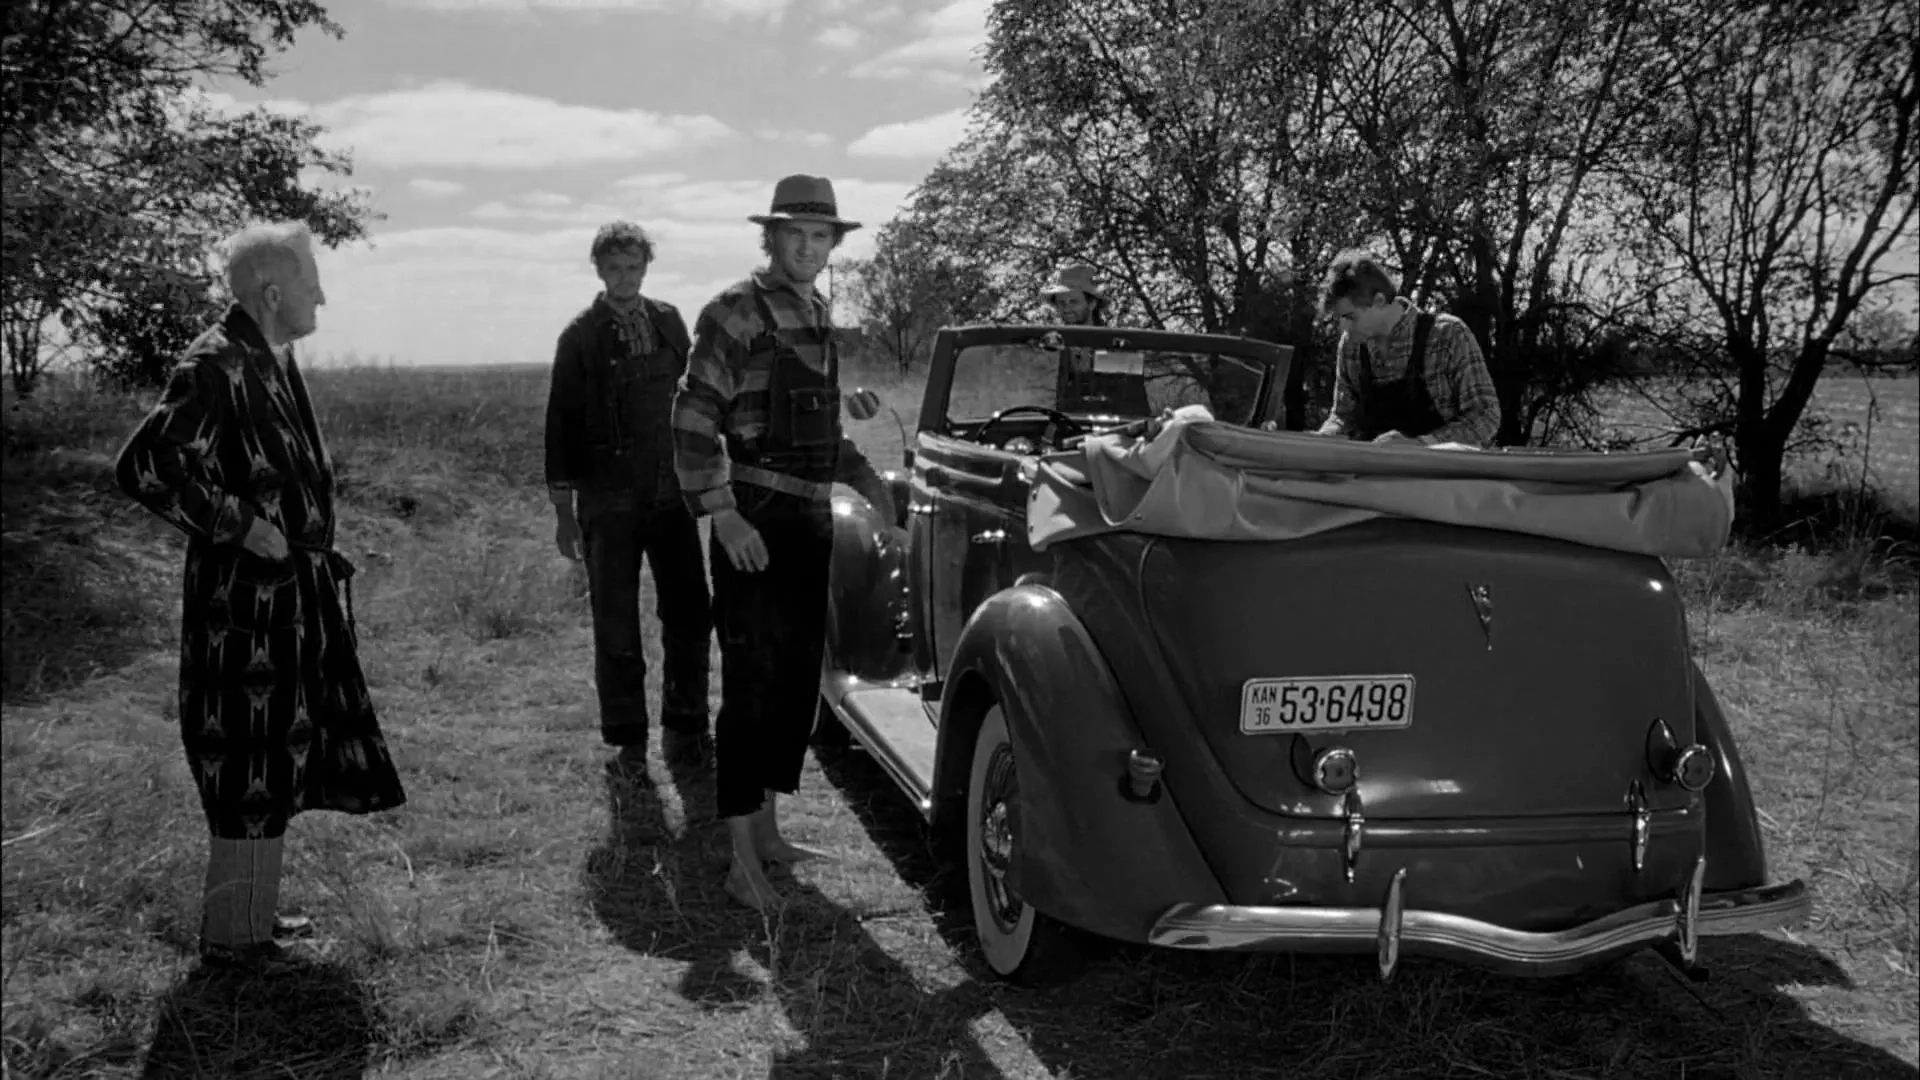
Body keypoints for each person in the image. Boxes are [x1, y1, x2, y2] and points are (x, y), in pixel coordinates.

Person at [113, 221, 407, 973]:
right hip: (241, 610)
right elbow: (147, 463)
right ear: (274, 293)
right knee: (245, 760)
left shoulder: (268, 357)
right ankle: (234, 941)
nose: (323, 297)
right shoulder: (214, 362)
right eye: (312, 283)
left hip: (286, 602)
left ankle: (253, 920)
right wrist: (239, 525)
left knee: (276, 756)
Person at [670, 174, 894, 911]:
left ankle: (768, 834)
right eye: (793, 234)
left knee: (795, 686)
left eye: (819, 236)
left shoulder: (819, 313)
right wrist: (722, 513)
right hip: (755, 522)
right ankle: (740, 861)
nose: (806, 246)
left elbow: (820, 430)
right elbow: (694, 416)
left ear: (833, 245)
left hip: (809, 522)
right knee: (750, 687)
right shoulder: (735, 311)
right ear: (770, 238)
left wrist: (869, 482)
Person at [545, 221, 713, 769]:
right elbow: (559, 426)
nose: (625, 277)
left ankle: (687, 723)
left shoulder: (667, 322)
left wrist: (707, 469)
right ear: (598, 270)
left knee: (690, 611)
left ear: (646, 268)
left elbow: (696, 400)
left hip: (670, 493)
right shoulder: (580, 336)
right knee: (616, 622)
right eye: (614, 268)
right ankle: (626, 735)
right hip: (606, 498)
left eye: (633, 267)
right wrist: (563, 516)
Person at [1312, 250, 1502, 447]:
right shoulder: (1352, 346)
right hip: (1375, 473)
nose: (1344, 328)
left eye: (1351, 318)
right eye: (1339, 320)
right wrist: (1321, 439)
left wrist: (1422, 445)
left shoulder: (1447, 335)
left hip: (1446, 473)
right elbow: (1343, 417)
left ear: (1379, 301)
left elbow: (1485, 416)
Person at [1040, 264, 1151, 416]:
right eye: (1061, 303)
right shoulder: (1051, 348)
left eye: (1073, 302)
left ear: (1092, 304)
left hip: (1107, 432)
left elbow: (1134, 408)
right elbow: (1041, 400)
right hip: (1062, 429)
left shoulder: (1116, 347)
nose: (1066, 308)